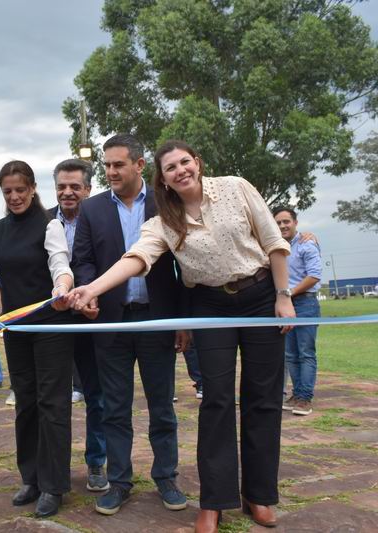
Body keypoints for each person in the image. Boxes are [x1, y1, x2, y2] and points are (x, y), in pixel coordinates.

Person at [69, 140, 294, 533]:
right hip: (210, 305)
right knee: (216, 400)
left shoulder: (236, 187)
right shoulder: (163, 220)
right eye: (170, 168)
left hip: (260, 298)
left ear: (198, 163)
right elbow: (136, 258)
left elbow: (273, 241)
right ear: (163, 178)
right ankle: (214, 502)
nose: (180, 171)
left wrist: (283, 295)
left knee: (263, 398)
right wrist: (92, 289)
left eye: (184, 162)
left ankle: (258, 495)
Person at [71, 134, 187, 516]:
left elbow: (185, 263)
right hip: (111, 323)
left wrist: (182, 320)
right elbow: (83, 260)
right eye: (106, 165)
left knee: (162, 406)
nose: (110, 171)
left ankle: (166, 477)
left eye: (118, 164)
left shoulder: (166, 202)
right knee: (115, 408)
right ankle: (119, 482)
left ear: (139, 165)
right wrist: (90, 293)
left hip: (158, 319)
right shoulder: (92, 209)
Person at [0, 160, 75, 518]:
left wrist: (62, 287)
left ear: (33, 188)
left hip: (51, 326)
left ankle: (54, 485)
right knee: (26, 402)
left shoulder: (50, 225)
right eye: (8, 191)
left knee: (53, 404)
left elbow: (60, 264)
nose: (15, 196)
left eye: (21, 189)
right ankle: (31, 478)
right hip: (15, 328)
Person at [48, 158, 108, 492]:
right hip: (53, 322)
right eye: (61, 186)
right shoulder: (42, 222)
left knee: (96, 395)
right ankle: (54, 469)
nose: (67, 192)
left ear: (88, 188)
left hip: (92, 318)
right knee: (54, 397)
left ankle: (96, 462)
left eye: (75, 187)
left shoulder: (101, 219)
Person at [273, 206, 322, 417]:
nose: (282, 226)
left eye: (286, 221)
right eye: (278, 223)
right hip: (286, 304)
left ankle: (305, 397)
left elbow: (314, 275)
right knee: (290, 353)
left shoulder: (306, 244)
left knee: (306, 352)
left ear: (295, 223)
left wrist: (288, 293)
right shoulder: (276, 246)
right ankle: (297, 393)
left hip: (305, 303)